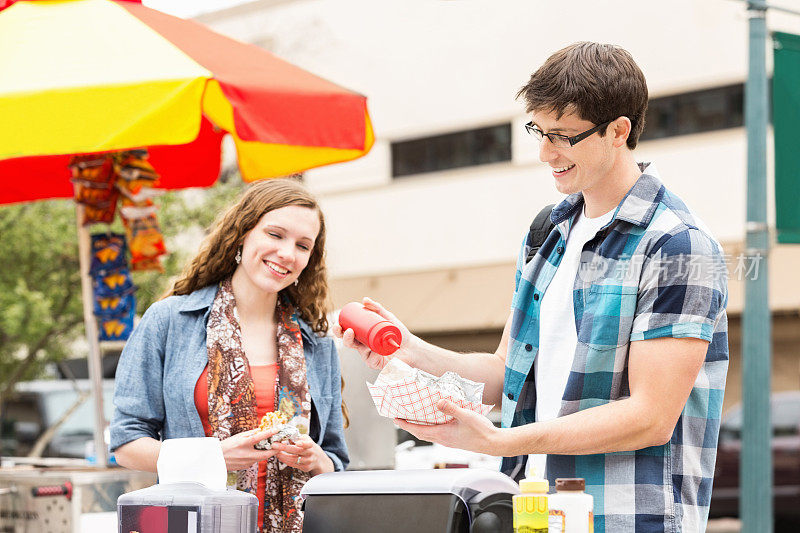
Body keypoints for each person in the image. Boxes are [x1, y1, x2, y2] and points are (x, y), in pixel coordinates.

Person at [337, 42, 728, 532]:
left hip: (627, 518)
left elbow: (651, 417)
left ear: (618, 131)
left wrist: (504, 442)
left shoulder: (678, 245)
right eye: (540, 132)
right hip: (535, 511)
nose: (545, 153)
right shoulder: (550, 232)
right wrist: (411, 350)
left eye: (562, 136)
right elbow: (506, 374)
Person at [110, 178, 348, 533]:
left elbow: (337, 461)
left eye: (302, 245)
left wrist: (316, 459)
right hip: (194, 523)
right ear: (242, 234)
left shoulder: (317, 342)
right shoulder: (170, 321)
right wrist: (209, 458)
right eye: (275, 234)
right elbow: (126, 443)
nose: (287, 253)